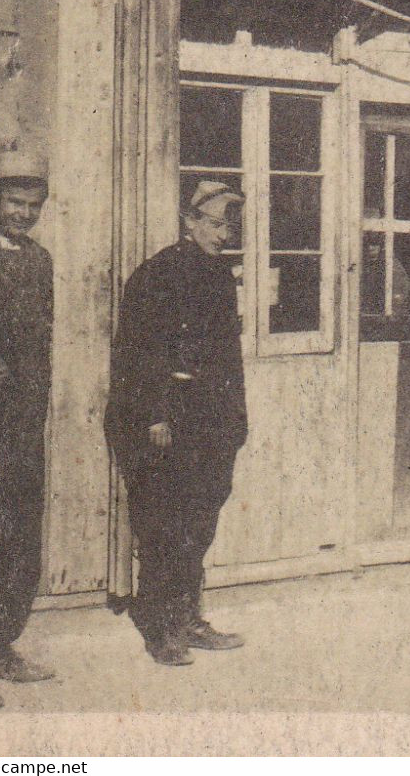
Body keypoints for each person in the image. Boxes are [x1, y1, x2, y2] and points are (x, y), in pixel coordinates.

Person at [105, 181, 250, 666]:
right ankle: (162, 628)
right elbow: (136, 354)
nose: (223, 233)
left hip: (209, 421)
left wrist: (235, 422)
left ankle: (188, 616)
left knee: (198, 525)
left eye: (230, 224)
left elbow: (228, 358)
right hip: (162, 422)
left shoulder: (218, 276)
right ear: (189, 221)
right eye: (214, 222)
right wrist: (153, 416)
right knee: (162, 526)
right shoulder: (157, 275)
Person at [0, 153, 56, 688]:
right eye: (14, 203)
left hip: (26, 418)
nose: (22, 214)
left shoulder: (39, 259)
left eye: (33, 206)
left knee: (22, 532)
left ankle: (2, 644)